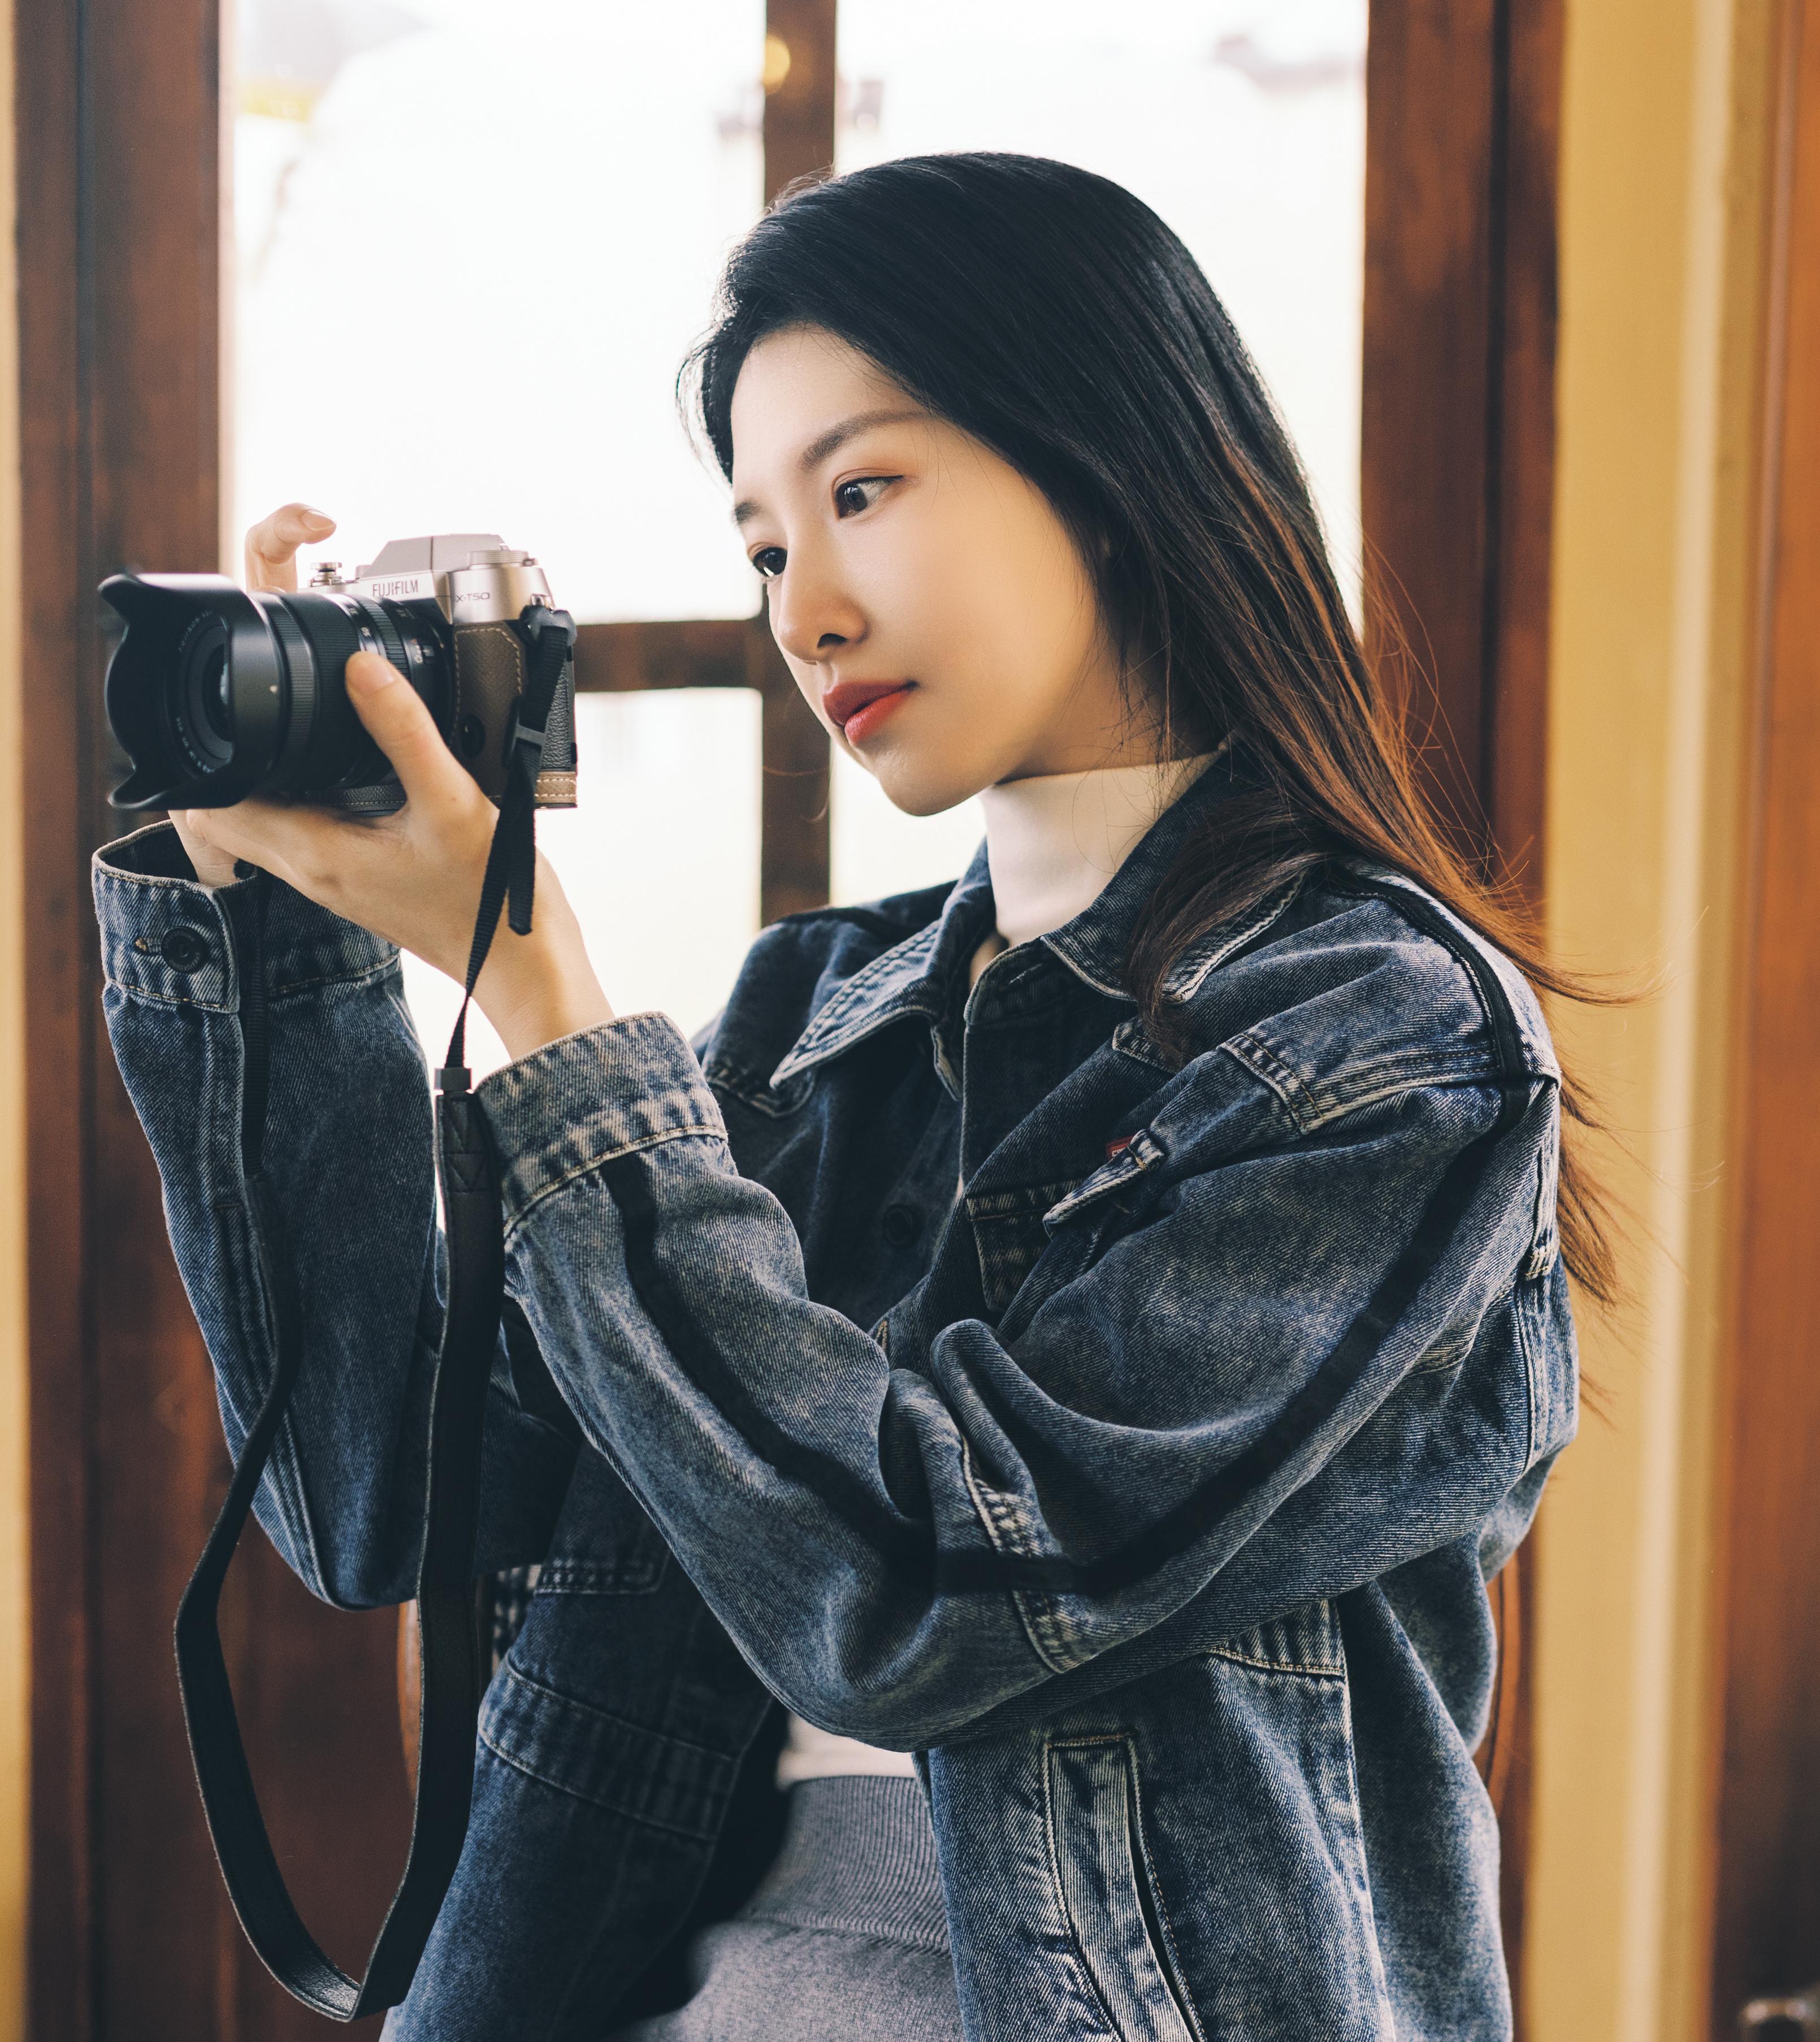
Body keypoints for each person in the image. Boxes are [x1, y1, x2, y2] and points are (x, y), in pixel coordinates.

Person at [90, 152, 1592, 2041]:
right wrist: (276, 934)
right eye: (764, 548)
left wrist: (557, 1014)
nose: (804, 613)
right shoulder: (816, 1012)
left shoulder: (1387, 1040)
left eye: (861, 491)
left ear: (1114, 463)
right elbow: (375, 1491)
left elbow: (923, 1594)